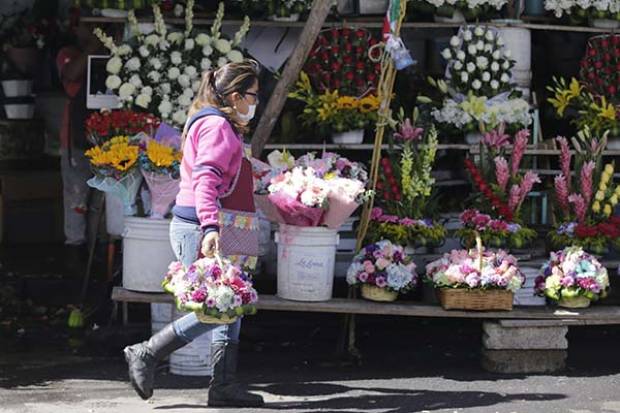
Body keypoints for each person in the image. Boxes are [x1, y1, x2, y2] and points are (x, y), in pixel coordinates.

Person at [123, 60, 264, 408]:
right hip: (202, 227)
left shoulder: (214, 121)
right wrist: (211, 228)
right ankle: (147, 352)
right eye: (253, 95)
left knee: (230, 303)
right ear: (234, 95)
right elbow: (205, 178)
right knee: (217, 305)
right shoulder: (217, 126)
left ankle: (224, 385)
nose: (255, 102)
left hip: (209, 223)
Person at [56, 19, 102, 250]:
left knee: (99, 200)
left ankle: (94, 248)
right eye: (87, 25)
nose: (92, 30)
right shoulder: (67, 54)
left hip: (104, 138)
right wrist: (93, 47)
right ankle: (74, 248)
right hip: (75, 139)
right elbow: (71, 74)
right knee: (77, 197)